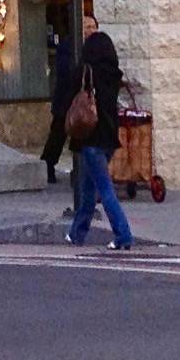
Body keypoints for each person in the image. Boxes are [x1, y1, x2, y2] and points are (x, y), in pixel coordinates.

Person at [54, 28, 135, 250]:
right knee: (88, 190)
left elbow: (69, 98)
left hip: (90, 138)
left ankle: (123, 235)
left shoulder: (85, 72)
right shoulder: (113, 75)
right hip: (109, 137)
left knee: (103, 190)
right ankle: (76, 233)